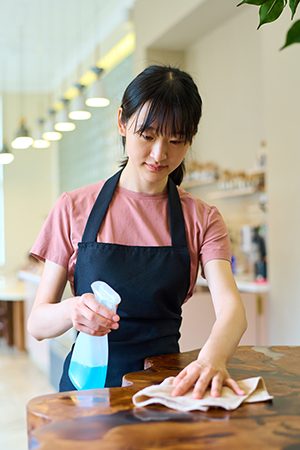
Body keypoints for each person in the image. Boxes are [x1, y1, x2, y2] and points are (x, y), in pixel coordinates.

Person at [28, 65, 247, 398]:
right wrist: (72, 311)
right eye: (148, 135)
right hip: (88, 391)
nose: (160, 154)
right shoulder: (74, 208)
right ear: (122, 122)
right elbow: (38, 323)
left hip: (163, 391)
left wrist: (210, 360)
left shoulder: (202, 218)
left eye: (176, 140)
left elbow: (232, 310)